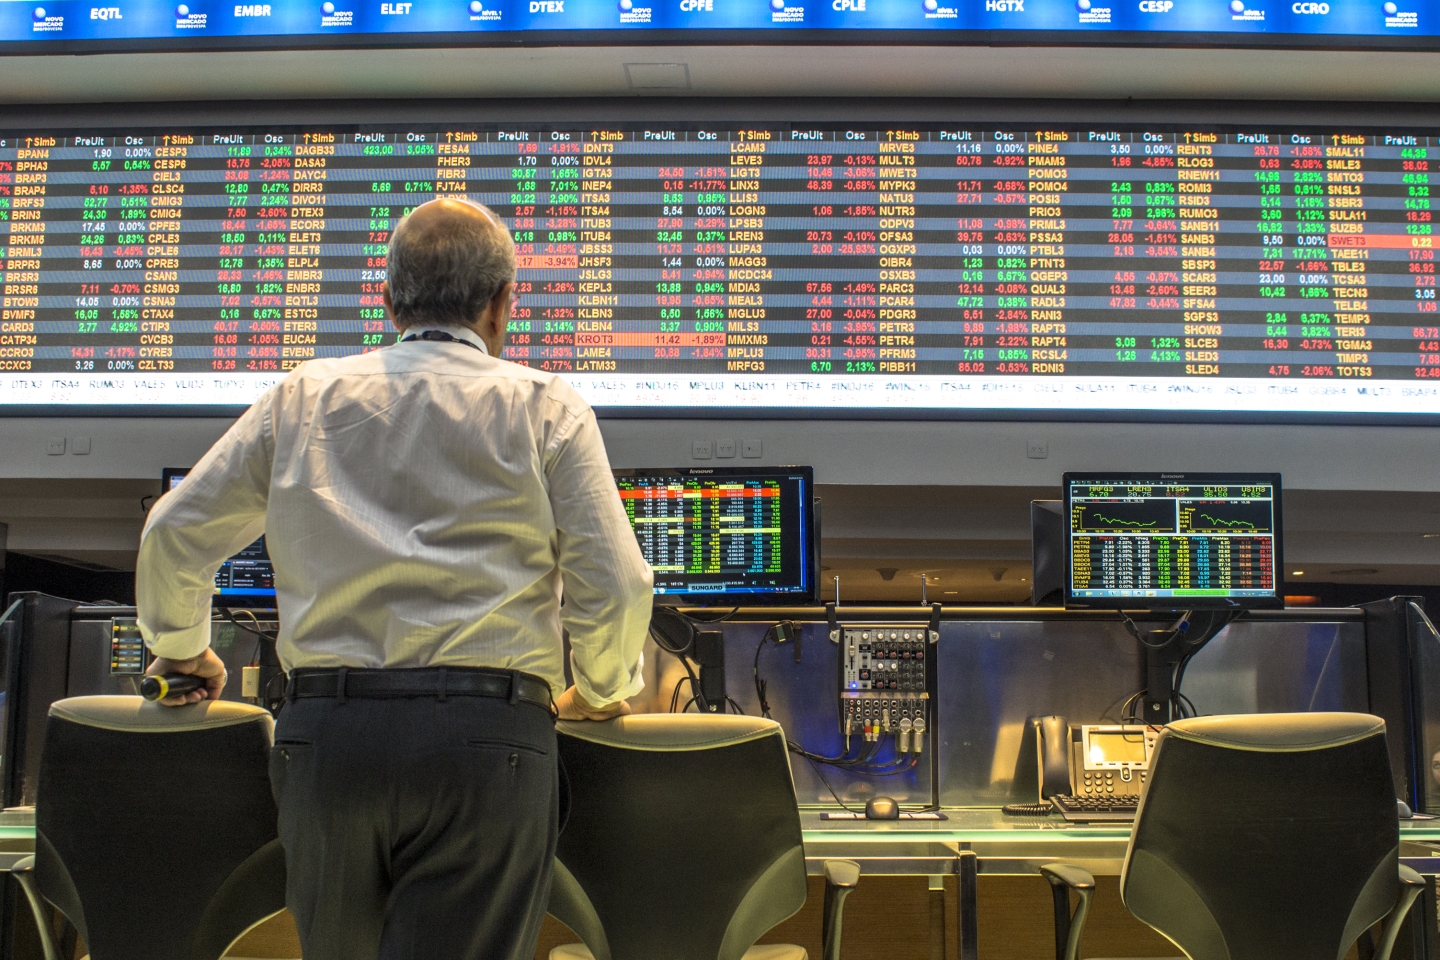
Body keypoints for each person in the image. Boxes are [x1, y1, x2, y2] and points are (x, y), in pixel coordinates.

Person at [135, 197, 654, 960]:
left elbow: (174, 532)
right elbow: (614, 582)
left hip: (327, 740)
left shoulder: (302, 397)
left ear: (386, 301)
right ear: (504, 302)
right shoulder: (547, 407)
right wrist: (603, 689)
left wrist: (182, 649)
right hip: (489, 744)